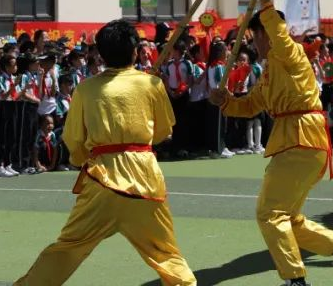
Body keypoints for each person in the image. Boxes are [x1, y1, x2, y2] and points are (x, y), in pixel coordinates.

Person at [14, 19, 196, 286]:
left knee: (68, 247)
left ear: (100, 53)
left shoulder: (86, 88)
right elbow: (162, 132)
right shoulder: (152, 85)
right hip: (144, 180)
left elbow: (74, 139)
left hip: (101, 181)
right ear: (135, 51)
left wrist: (81, 160)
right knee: (166, 254)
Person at [210, 0, 333, 286]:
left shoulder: (290, 52)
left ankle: (294, 279)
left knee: (270, 214)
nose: (253, 43)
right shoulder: (270, 69)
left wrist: (266, 0)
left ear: (264, 33)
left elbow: (277, 31)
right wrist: (226, 101)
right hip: (298, 140)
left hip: (300, 138)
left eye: (255, 36)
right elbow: (250, 106)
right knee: (287, 217)